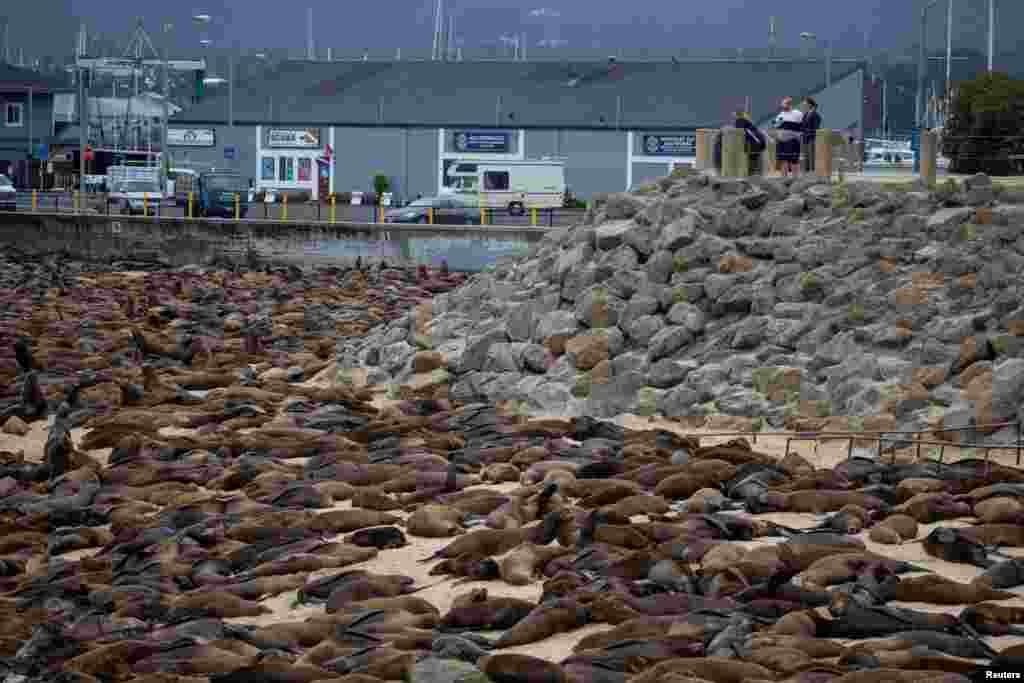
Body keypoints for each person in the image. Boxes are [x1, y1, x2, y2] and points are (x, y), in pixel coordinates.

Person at [772, 97, 804, 177]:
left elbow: (802, 127)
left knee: (794, 160)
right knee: (783, 160)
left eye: (785, 104)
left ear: (790, 104)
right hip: (782, 142)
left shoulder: (798, 114)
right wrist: (777, 135)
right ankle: (784, 179)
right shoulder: (780, 115)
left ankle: (795, 179)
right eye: (782, 105)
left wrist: (798, 135)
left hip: (793, 141)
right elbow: (775, 126)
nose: (783, 106)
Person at [801, 98, 822, 173]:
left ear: (810, 104)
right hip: (805, 138)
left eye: (805, 103)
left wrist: (807, 131)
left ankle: (813, 172)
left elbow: (816, 128)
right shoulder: (805, 115)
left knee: (812, 155)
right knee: (806, 155)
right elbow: (802, 126)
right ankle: (807, 172)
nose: (803, 105)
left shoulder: (816, 115)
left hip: (812, 138)